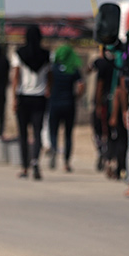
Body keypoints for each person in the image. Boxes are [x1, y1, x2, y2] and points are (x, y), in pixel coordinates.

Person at [11, 25, 52, 180]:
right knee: (37, 132)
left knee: (22, 133)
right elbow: (50, 76)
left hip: (23, 97)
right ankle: (35, 161)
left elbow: (16, 77)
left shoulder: (19, 54)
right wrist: (48, 89)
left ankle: (24, 167)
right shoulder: (47, 55)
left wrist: (14, 97)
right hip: (40, 97)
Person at [47, 43, 83, 173]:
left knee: (53, 132)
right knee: (68, 134)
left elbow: (48, 84)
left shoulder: (53, 68)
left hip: (54, 104)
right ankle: (66, 162)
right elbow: (81, 86)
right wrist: (76, 96)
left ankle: (53, 150)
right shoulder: (73, 69)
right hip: (69, 104)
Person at [91, 47, 115, 172]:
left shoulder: (103, 63)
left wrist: (98, 104)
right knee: (109, 132)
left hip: (104, 102)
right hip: (112, 100)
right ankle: (107, 156)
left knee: (101, 131)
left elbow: (99, 84)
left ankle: (104, 155)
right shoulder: (116, 62)